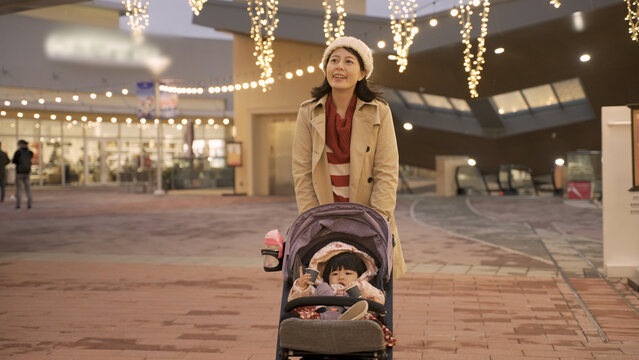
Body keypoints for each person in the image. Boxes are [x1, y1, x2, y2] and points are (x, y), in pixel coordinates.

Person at [291, 36, 406, 279]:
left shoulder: (379, 111)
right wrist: (312, 218)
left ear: (363, 72)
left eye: (348, 61)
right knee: (321, 284)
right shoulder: (308, 111)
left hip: (367, 218)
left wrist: (377, 220)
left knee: (367, 287)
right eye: (333, 60)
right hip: (323, 216)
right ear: (326, 68)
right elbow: (301, 171)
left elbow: (386, 170)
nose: (339, 67)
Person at [286, 241, 396, 347]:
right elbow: (295, 303)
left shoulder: (362, 288)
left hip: (355, 325)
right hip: (319, 324)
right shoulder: (320, 288)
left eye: (348, 273)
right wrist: (301, 286)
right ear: (327, 276)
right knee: (293, 316)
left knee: (370, 319)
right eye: (335, 274)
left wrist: (362, 287)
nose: (341, 277)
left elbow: (379, 300)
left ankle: (349, 316)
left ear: (359, 275)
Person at [12, 139, 33, 209]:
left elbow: (14, 161)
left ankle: (18, 205)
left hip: (19, 173)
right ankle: (29, 204)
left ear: (20, 145)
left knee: (19, 189)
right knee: (28, 189)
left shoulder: (18, 152)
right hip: (27, 173)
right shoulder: (30, 152)